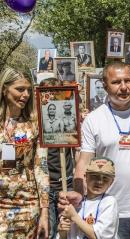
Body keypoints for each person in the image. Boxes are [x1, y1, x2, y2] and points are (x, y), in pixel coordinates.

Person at [59, 62, 130, 238]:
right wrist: (79, 193)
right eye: (116, 82)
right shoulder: (94, 119)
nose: (124, 87)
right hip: (110, 211)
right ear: (105, 85)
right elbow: (84, 161)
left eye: (128, 80)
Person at [0, 67, 49, 238]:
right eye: (20, 89)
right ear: (4, 89)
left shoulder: (34, 125)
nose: (26, 94)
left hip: (27, 203)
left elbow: (41, 168)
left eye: (29, 89)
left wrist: (44, 212)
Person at [39, 78, 75, 239]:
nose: (51, 98)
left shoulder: (69, 119)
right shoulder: (35, 121)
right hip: (45, 188)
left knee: (67, 231)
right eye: (47, 94)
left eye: (56, 94)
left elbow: (78, 151)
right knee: (49, 232)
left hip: (66, 185)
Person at [58, 157, 119, 239]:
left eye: (105, 178)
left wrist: (74, 216)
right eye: (94, 176)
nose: (99, 181)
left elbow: (99, 236)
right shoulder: (76, 203)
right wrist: (62, 231)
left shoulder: (109, 202)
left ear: (111, 182)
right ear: (85, 177)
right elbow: (65, 236)